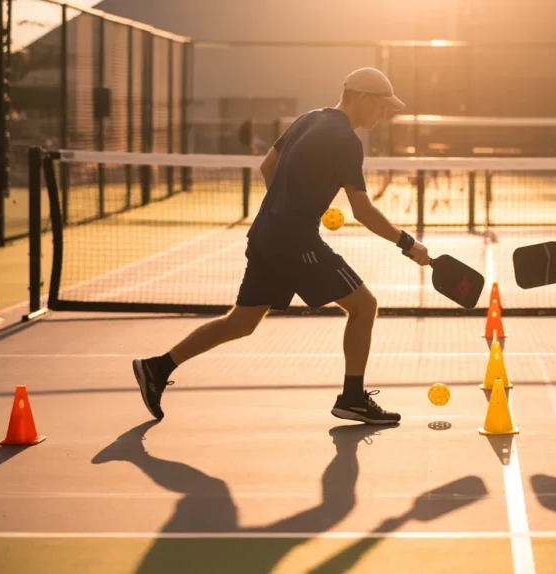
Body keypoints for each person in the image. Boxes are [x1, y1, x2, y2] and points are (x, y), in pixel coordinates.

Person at [132, 68, 431, 425]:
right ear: (364, 99)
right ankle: (353, 398)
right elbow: (363, 210)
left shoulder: (308, 119)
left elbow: (267, 166)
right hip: (294, 240)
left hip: (265, 234)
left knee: (241, 322)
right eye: (382, 107)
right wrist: (408, 244)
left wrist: (287, 203)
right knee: (364, 306)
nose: (383, 116)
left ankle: (156, 368)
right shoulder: (347, 141)